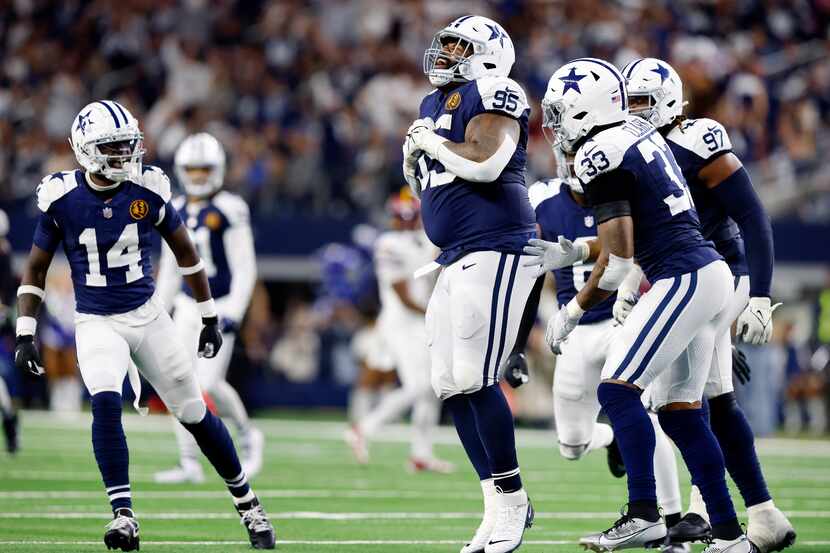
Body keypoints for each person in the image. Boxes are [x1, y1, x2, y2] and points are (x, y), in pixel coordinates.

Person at [14, 101, 275, 551]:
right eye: (112, 147)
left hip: (150, 317)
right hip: (96, 320)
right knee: (105, 402)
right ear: (85, 150)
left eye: (127, 144)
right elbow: (36, 268)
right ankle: (123, 515)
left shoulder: (147, 188)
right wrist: (24, 329)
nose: (125, 154)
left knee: (194, 412)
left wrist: (210, 315)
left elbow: (186, 254)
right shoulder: (61, 198)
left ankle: (248, 503)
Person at [528, 59, 753, 553]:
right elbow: (618, 243)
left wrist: (571, 309)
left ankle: (644, 514)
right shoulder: (634, 132)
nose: (555, 125)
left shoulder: (598, 152)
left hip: (680, 277)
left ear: (586, 110)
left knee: (616, 391)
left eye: (561, 112)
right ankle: (731, 535)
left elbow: (618, 262)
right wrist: (583, 257)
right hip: (703, 273)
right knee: (679, 413)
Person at [621, 57, 794, 552]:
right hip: (679, 280)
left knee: (683, 403)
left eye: (643, 103)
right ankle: (759, 514)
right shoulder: (633, 148)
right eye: (627, 103)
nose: (634, 113)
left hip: (719, 274)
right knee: (714, 401)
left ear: (671, 102)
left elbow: (753, 215)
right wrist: (634, 281)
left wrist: (759, 295)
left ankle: (707, 517)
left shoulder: (696, 138)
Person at [403, 15, 539, 553]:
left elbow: (487, 163)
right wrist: (417, 159)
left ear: (488, 54)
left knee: (477, 378)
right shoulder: (432, 105)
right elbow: (431, 190)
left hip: (497, 245)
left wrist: (429, 145)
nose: (445, 54)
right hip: (454, 254)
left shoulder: (496, 90)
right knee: (451, 384)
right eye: (445, 45)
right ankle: (495, 508)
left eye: (459, 46)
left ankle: (513, 504)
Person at [527, 149, 689, 553]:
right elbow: (528, 267)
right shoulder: (542, 197)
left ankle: (672, 526)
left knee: (646, 419)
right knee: (571, 445)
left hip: (621, 321)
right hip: (575, 332)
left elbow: (631, 245)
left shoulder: (620, 189)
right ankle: (614, 439)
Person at [154, 132, 264, 484]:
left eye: (205, 169)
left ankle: (249, 437)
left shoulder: (231, 208)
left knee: (209, 383)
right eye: (192, 169)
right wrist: (158, 310)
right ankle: (189, 462)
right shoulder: (175, 209)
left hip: (219, 306)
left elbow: (245, 267)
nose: (199, 176)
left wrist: (235, 310)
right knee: (178, 382)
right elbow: (171, 269)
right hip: (188, 305)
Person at [345, 190, 453, 473]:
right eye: (400, 217)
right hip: (399, 323)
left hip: (419, 322)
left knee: (432, 388)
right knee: (418, 386)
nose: (405, 222)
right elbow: (402, 292)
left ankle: (421, 454)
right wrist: (434, 311)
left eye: (410, 216)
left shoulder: (425, 239)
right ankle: (364, 428)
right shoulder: (388, 243)